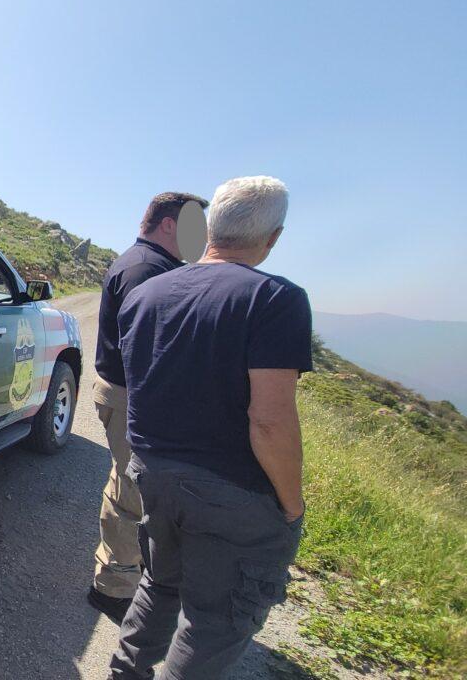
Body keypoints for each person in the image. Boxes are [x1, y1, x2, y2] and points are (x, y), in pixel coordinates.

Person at [109, 176, 311, 679]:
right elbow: (269, 422)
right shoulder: (275, 299)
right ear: (273, 238)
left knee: (159, 585)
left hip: (153, 470)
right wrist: (292, 504)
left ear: (211, 227)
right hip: (230, 490)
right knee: (213, 622)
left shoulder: (148, 294)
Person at [89, 192, 209, 622]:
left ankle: (124, 574)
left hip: (128, 393)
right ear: (169, 225)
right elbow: (147, 349)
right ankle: (114, 589)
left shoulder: (150, 265)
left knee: (128, 483)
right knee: (130, 493)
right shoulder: (146, 271)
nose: (203, 239)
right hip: (132, 396)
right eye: (197, 227)